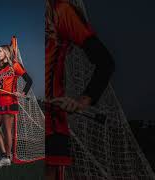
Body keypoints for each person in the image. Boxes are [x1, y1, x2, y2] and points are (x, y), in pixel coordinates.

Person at [45, 0, 115, 179]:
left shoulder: (60, 10)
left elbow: (105, 63)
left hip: (52, 128)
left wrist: (82, 101)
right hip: (31, 123)